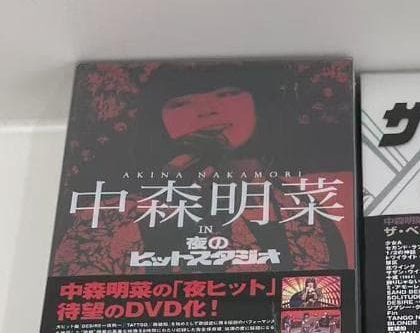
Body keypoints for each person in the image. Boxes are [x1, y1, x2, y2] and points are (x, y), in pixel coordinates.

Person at [52, 61, 350, 275]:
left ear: (261, 103)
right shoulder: (109, 213)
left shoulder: (300, 205)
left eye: (228, 94)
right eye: (181, 103)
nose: (206, 111)